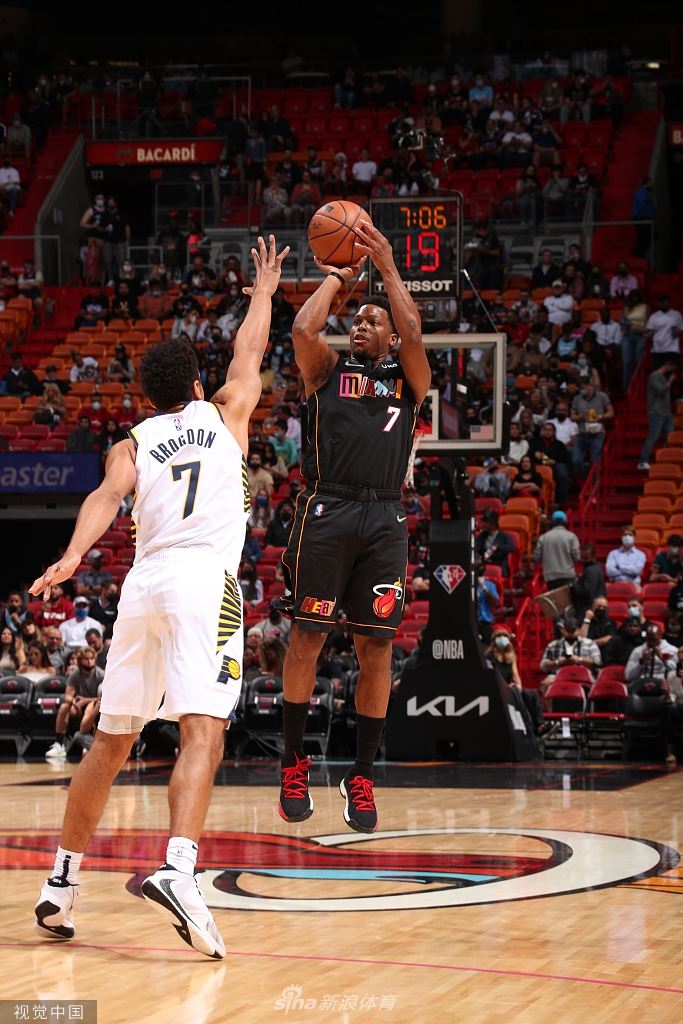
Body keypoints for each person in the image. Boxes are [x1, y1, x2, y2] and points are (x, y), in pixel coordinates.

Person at [30, 233, 289, 959]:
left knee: (113, 739)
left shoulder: (134, 442)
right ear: (199, 387)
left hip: (142, 585)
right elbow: (249, 351)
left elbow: (104, 498)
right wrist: (264, 294)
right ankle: (179, 869)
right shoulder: (228, 412)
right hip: (205, 582)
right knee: (204, 728)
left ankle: (61, 882)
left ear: (148, 398)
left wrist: (73, 555)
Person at [276, 218, 431, 835]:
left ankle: (361, 774)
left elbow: (414, 331)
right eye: (357, 319)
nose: (360, 325)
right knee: (307, 638)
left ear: (390, 336)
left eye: (373, 320)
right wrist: (337, 279)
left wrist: (387, 265)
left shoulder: (410, 380)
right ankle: (294, 760)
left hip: (385, 515)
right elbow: (302, 328)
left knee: (377, 648)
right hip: (327, 509)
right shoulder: (325, 370)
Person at [44, 646, 105, 760]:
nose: (89, 661)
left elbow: (104, 698)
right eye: (86, 659)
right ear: (80, 660)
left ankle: (91, 745)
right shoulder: (75, 674)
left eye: (91, 658)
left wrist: (85, 700)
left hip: (96, 705)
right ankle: (59, 744)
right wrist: (73, 701)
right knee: (65, 706)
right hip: (80, 706)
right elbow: (68, 695)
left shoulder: (100, 674)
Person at [486, 625, 542, 731]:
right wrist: (507, 687)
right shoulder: (489, 656)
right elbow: (492, 677)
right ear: (494, 640)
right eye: (499, 636)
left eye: (504, 635)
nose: (502, 638)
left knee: (532, 694)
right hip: (497, 688)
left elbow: (516, 676)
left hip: (510, 689)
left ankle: (539, 725)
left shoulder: (510, 656)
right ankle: (527, 727)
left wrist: (518, 686)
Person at [539, 614, 601, 693]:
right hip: (559, 674)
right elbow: (543, 666)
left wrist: (579, 660)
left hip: (584, 674)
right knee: (546, 683)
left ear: (578, 630)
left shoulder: (589, 643)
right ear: (563, 630)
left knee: (596, 685)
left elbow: (597, 662)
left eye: (573, 630)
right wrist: (558, 662)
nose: (570, 633)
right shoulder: (553, 645)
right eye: (568, 630)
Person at [637, 359, 677, 470]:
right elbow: (661, 391)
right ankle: (642, 462)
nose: (672, 370)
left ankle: (666, 458)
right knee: (653, 436)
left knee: (670, 436)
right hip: (656, 411)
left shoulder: (663, 377)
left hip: (666, 412)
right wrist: (670, 381)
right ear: (667, 365)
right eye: (672, 368)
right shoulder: (654, 376)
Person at [532, 510, 580, 591]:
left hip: (550, 576)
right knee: (567, 598)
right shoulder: (572, 537)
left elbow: (536, 557)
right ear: (565, 522)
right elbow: (577, 557)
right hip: (567, 574)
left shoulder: (543, 537)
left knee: (554, 599)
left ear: (552, 522)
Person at [645, 295, 682, 371]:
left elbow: (681, 328)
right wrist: (646, 336)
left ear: (669, 302)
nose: (664, 303)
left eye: (665, 301)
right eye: (661, 301)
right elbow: (650, 332)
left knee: (671, 372)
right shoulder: (654, 316)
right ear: (658, 303)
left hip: (672, 348)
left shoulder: (676, 314)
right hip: (657, 349)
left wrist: (676, 332)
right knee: (658, 373)